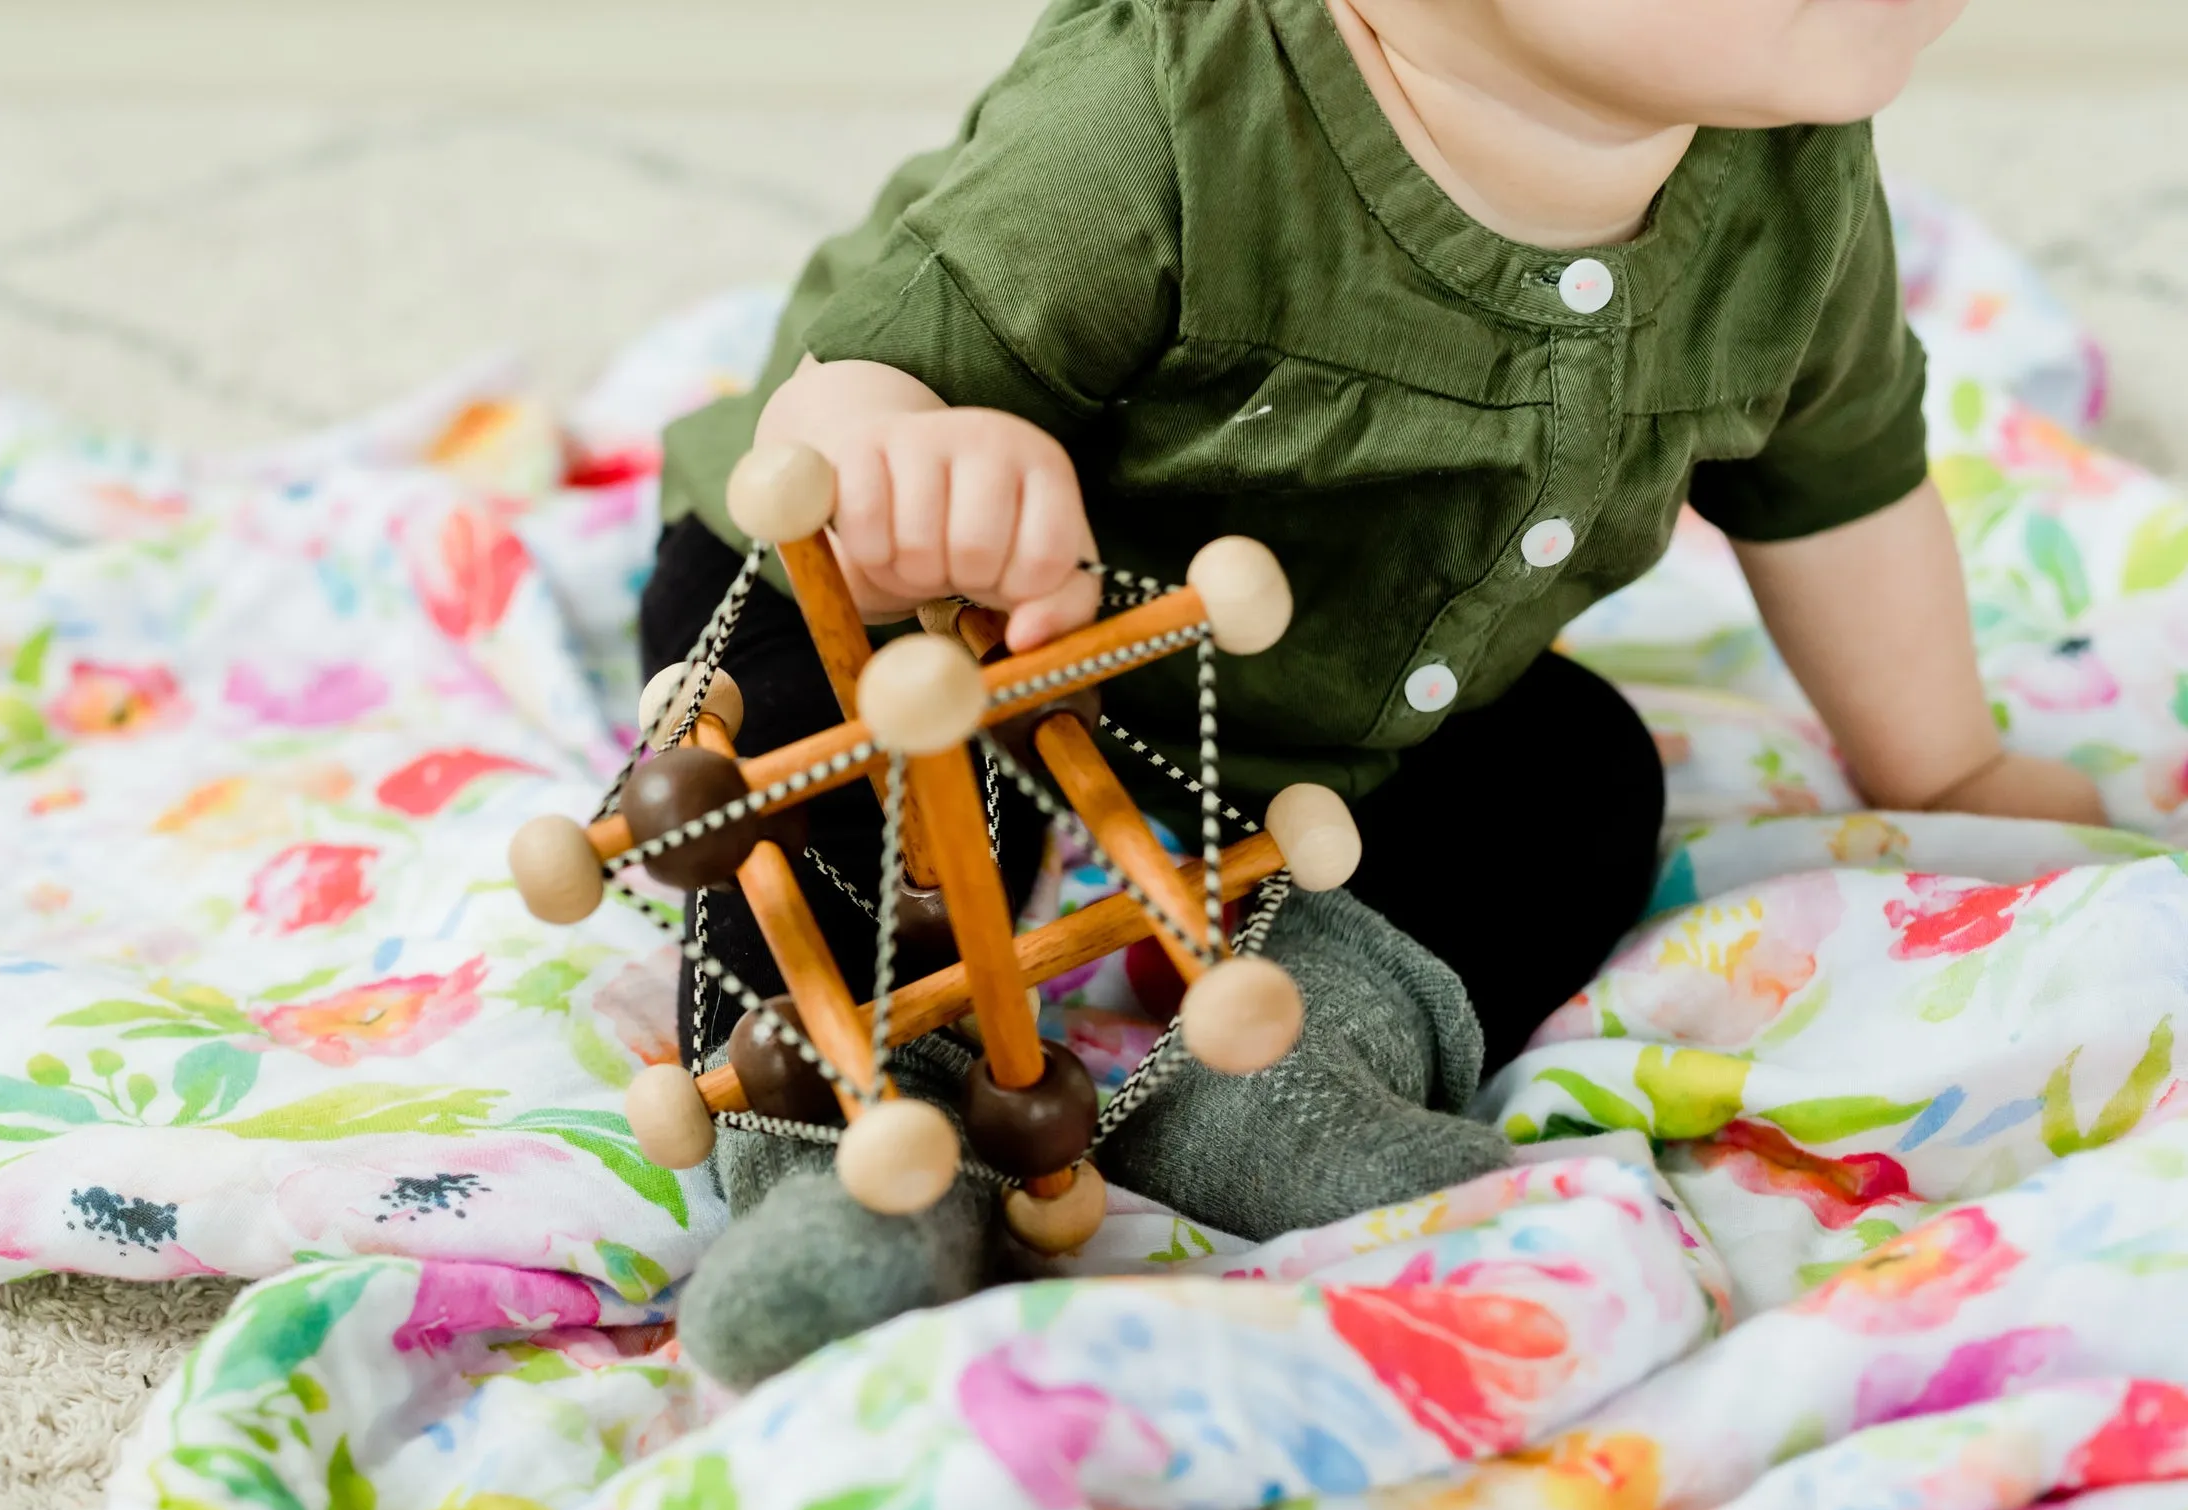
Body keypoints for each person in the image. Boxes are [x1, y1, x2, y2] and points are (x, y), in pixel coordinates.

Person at [647, 0, 2106, 1387]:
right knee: (815, 774)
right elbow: (843, 412)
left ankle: (1289, 1072)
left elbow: (1839, 489)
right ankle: (846, 1157)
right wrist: (917, 460)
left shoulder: (1786, 178)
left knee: (1579, 772)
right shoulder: (1164, 109)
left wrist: (1952, 768)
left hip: (1345, 698)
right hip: (930, 618)